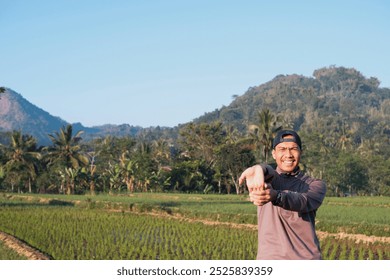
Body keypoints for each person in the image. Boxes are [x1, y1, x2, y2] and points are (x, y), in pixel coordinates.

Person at [239, 130, 326, 260]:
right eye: (282, 149)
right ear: (274, 154)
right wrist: (258, 168)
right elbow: (266, 169)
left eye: (293, 149)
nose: (288, 154)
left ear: (300, 152)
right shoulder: (268, 179)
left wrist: (276, 196)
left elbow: (303, 201)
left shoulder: (315, 185)